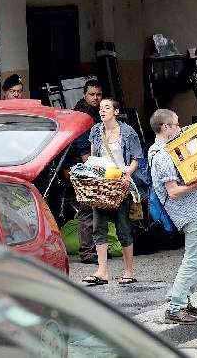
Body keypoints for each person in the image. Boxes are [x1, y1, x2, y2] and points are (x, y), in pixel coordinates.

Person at [148, 109, 197, 324]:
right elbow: (172, 191)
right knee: (193, 259)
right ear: (165, 127)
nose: (180, 128)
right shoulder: (162, 156)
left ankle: (178, 294)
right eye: (176, 124)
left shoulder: (165, 151)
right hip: (189, 212)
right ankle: (175, 307)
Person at [82, 98, 143, 285]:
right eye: (100, 108)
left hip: (120, 183)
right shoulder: (95, 130)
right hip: (102, 184)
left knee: (123, 228)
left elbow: (136, 158)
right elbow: (93, 157)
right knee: (98, 226)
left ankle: (128, 271)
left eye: (106, 107)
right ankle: (102, 271)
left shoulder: (127, 132)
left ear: (116, 111)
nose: (102, 111)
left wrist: (127, 174)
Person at [73, 79, 103, 264]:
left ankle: (94, 250)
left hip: (94, 163)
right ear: (85, 94)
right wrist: (92, 167)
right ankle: (87, 252)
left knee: (95, 208)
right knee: (88, 209)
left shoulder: (96, 112)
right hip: (87, 164)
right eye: (92, 94)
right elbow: (83, 147)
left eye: (98, 95)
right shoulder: (83, 114)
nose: (95, 98)